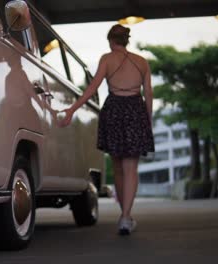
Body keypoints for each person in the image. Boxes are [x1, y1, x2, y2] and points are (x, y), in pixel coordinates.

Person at [59, 24, 154, 236]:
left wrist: (72, 109)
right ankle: (126, 216)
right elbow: (148, 93)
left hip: (113, 110)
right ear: (126, 41)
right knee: (131, 168)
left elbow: (92, 87)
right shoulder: (142, 62)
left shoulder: (107, 58)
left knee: (118, 166)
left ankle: (125, 215)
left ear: (111, 41)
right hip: (135, 110)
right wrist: (147, 120)